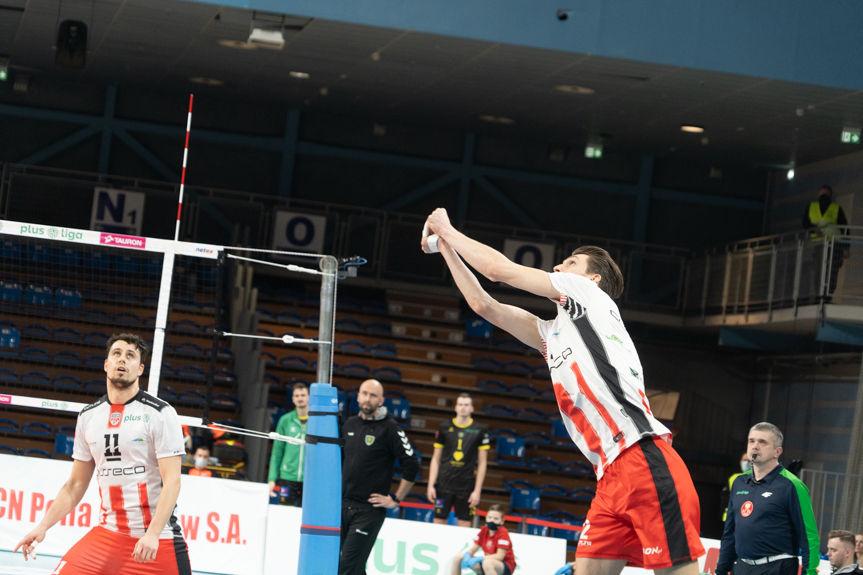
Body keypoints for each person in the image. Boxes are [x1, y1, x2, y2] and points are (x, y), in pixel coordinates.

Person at [423, 208, 704, 575]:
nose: (558, 267)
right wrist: (446, 248)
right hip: (609, 476)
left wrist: (446, 228)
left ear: (593, 278)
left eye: (570, 263)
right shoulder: (552, 334)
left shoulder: (587, 294)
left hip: (643, 457)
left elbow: (497, 270)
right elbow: (483, 305)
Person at [14, 333, 191, 574]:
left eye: (130, 356)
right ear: (106, 364)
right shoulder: (89, 416)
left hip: (155, 539)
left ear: (140, 369)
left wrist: (152, 534)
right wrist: (42, 526)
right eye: (116, 353)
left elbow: (172, 481)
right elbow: (75, 485)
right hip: (108, 534)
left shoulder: (160, 413)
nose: (122, 359)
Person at [716, 422, 819, 575]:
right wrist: (721, 570)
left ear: (777, 451)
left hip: (777, 568)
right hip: (742, 567)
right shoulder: (739, 482)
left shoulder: (792, 485)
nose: (755, 446)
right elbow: (729, 533)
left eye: (762, 442)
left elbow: (809, 536)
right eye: (751, 441)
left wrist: (809, 573)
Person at [339, 379, 419, 575]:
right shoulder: (349, 424)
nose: (367, 398)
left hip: (368, 511)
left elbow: (412, 464)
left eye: (373, 395)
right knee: (351, 567)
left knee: (347, 567)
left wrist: (396, 499)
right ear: (358, 396)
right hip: (342, 505)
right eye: (364, 393)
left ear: (381, 400)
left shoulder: (390, 428)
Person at [427, 392, 491, 526]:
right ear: (456, 407)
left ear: (472, 408)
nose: (463, 408)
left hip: (466, 486)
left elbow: (482, 463)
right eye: (460, 404)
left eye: (466, 405)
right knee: (438, 521)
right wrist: (431, 484)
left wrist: (477, 491)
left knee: (465, 524)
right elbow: (435, 458)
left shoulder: (480, 430)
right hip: (443, 485)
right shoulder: (444, 427)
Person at [802, 185, 849, 297]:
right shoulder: (835, 208)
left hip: (827, 245)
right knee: (827, 271)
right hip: (827, 245)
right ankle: (824, 295)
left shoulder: (814, 207)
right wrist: (846, 247)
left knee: (823, 271)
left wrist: (814, 229)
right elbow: (845, 228)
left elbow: (805, 223)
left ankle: (823, 295)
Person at [267, 382, 309, 506]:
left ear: (309, 397)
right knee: (284, 513)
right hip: (287, 477)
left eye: (303, 395)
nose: (300, 398)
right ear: (292, 399)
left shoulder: (316, 421)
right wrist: (272, 479)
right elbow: (277, 451)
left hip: (309, 479)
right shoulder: (285, 420)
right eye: (296, 396)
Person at [451, 504, 517, 575]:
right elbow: (473, 549)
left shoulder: (503, 532)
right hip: (487, 561)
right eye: (489, 517)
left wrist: (480, 558)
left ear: (502, 521)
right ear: (486, 518)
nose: (492, 520)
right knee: (458, 558)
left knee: (487, 563)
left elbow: (500, 556)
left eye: (496, 519)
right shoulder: (484, 530)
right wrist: (467, 556)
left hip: (505, 565)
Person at [721, 453, 752, 523]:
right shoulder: (734, 478)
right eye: (744, 460)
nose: (746, 463)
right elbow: (725, 497)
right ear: (740, 461)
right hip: (729, 517)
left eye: (749, 460)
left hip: (745, 517)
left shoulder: (756, 478)